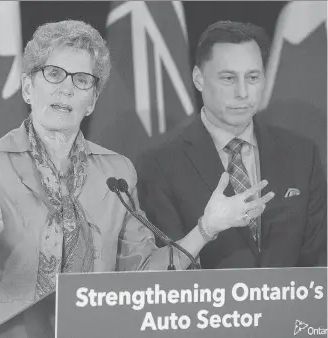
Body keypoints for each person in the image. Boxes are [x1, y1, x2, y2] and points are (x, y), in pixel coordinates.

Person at [0, 20, 274, 335]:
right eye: (54, 74)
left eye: (82, 80)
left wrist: (207, 228)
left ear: (92, 101)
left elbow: (142, 274)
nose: (67, 89)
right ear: (28, 87)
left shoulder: (116, 172)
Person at [136, 21, 327, 270]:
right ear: (198, 78)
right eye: (228, 78)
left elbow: (318, 260)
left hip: (291, 306)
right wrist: (206, 228)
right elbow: (164, 271)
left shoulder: (302, 154)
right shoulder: (159, 165)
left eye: (252, 77)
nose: (242, 92)